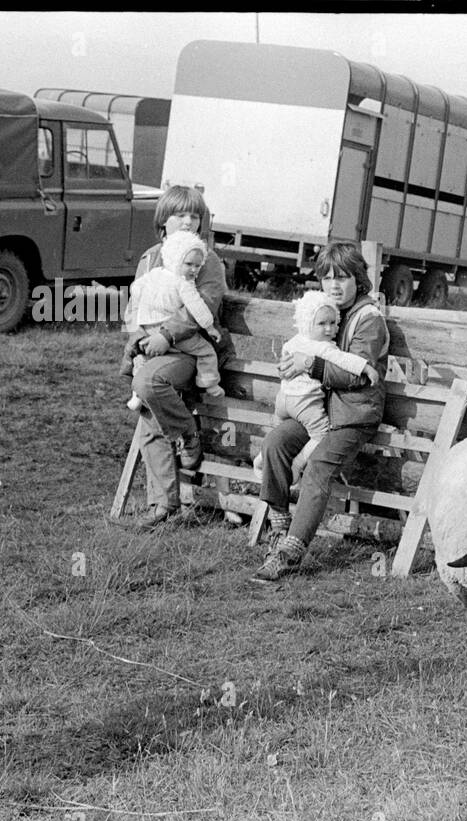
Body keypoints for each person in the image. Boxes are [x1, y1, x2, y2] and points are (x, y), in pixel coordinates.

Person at [252, 242, 390, 582]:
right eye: (327, 278)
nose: (334, 285)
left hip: (354, 415)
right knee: (274, 444)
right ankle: (280, 522)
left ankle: (291, 551)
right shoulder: (327, 310)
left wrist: (308, 365)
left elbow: (358, 373)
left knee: (318, 466)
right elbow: (306, 347)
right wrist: (292, 365)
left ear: (359, 278)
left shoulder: (368, 319)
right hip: (320, 411)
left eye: (343, 277)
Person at [123, 185, 233, 530]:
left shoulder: (205, 258)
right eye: (180, 215)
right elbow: (134, 307)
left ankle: (188, 434)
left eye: (194, 215)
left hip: (192, 352)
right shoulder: (151, 257)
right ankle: (163, 504)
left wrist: (165, 336)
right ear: (163, 222)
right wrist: (141, 341)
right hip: (154, 349)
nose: (188, 221)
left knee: (149, 382)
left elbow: (202, 306)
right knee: (148, 407)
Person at [253, 290, 381, 480]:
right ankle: (297, 465)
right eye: (322, 324)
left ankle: (261, 457)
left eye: (333, 323)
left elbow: (283, 365)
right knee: (321, 434)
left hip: (283, 400)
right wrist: (366, 368)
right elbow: (345, 360)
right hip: (304, 403)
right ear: (308, 323)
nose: (329, 329)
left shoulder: (293, 341)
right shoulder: (324, 347)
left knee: (277, 430)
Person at [122, 230, 225, 410]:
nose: (194, 270)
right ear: (177, 260)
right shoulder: (184, 283)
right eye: (189, 264)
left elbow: (135, 288)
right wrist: (210, 328)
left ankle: (136, 396)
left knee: (143, 359)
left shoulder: (155, 274)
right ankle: (209, 383)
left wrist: (145, 311)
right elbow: (197, 308)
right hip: (170, 333)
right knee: (206, 351)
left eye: (198, 266)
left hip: (148, 329)